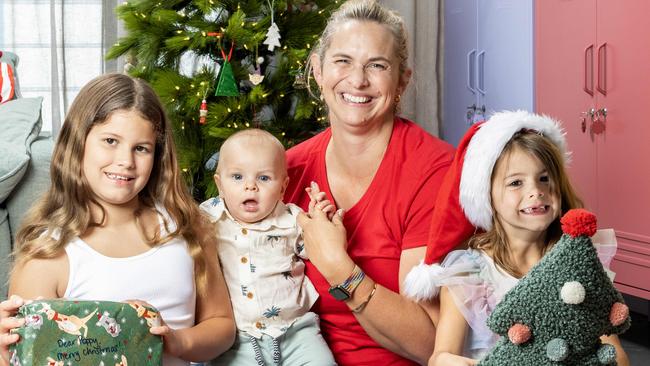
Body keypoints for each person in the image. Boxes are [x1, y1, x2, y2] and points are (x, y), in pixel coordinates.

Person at [0, 73, 236, 366]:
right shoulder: (48, 255)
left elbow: (221, 323)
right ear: (79, 143)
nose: (126, 160)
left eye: (141, 148)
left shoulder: (187, 227)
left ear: (157, 154)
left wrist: (176, 341)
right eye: (110, 141)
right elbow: (30, 355)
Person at [285, 0, 456, 364]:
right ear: (318, 70)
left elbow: (433, 346)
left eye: (377, 65)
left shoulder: (434, 170)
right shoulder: (289, 169)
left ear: (402, 80)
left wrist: (339, 268)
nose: (358, 80)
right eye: (342, 61)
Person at [401, 110, 629, 365]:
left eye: (544, 178)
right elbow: (440, 357)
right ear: (487, 196)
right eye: (515, 183)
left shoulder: (577, 261)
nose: (536, 191)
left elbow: (613, 349)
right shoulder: (469, 271)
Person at [199, 129, 336, 366]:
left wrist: (323, 221)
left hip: (297, 333)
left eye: (263, 178)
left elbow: (320, 250)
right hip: (237, 340)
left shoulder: (293, 219)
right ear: (220, 185)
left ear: (283, 188)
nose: (250, 186)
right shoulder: (208, 218)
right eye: (237, 177)